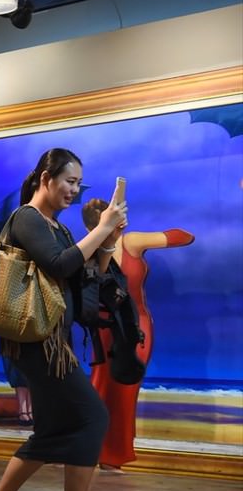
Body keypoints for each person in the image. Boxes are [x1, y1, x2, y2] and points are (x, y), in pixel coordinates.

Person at [0, 148, 128, 491]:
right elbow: (59, 265)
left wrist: (108, 239)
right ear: (46, 178)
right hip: (37, 343)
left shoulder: (56, 227)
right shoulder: (27, 218)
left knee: (50, 431)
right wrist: (100, 227)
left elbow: (84, 280)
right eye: (69, 181)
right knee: (92, 418)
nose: (75, 190)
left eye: (79, 183)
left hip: (52, 341)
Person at [80, 199, 195, 471]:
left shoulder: (86, 248)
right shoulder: (130, 241)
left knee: (103, 386)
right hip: (131, 326)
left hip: (107, 326)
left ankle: (96, 452)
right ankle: (107, 456)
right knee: (119, 388)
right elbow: (184, 237)